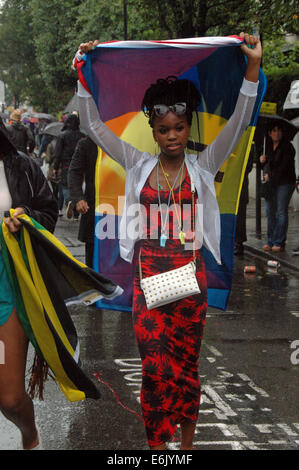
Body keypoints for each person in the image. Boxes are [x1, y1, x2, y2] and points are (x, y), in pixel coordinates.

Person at [75, 32, 262, 450]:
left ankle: (188, 444)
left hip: (190, 283)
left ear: (186, 126)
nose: (173, 136)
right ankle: (158, 448)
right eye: (164, 130)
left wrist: (251, 68)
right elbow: (91, 125)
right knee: (155, 368)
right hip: (148, 282)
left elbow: (239, 121)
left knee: (185, 368)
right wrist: (83, 70)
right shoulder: (137, 164)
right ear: (154, 132)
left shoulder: (203, 166)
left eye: (179, 127)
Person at [0, 117, 58, 450]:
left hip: (9, 285)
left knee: (9, 398)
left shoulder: (20, 167)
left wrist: (25, 216)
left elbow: (48, 212)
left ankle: (29, 434)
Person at [259, 122, 296, 252]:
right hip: (271, 184)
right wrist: (262, 161)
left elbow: (284, 168)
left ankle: (279, 241)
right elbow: (267, 167)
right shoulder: (268, 146)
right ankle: (271, 240)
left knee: (280, 211)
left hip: (284, 183)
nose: (277, 133)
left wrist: (271, 176)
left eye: (279, 130)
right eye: (274, 130)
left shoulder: (287, 147)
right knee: (269, 212)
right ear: (269, 133)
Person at [68, 136, 98, 267]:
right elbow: (74, 172)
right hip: (94, 207)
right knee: (93, 257)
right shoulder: (87, 143)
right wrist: (78, 198)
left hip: (124, 209)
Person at [53, 113, 84, 220]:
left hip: (66, 165)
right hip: (79, 165)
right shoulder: (82, 136)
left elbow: (57, 153)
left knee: (65, 186)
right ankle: (76, 215)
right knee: (77, 186)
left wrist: (55, 167)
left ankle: (69, 201)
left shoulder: (62, 135)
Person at [234, 148, 254, 255]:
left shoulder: (247, 147)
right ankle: (233, 241)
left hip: (241, 186)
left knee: (240, 217)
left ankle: (239, 242)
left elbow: (248, 166)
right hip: (230, 186)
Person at [45, 136, 64, 216]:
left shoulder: (50, 145)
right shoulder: (65, 144)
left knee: (55, 191)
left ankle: (56, 208)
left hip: (53, 170)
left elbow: (48, 160)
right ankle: (60, 208)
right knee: (61, 190)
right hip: (63, 169)